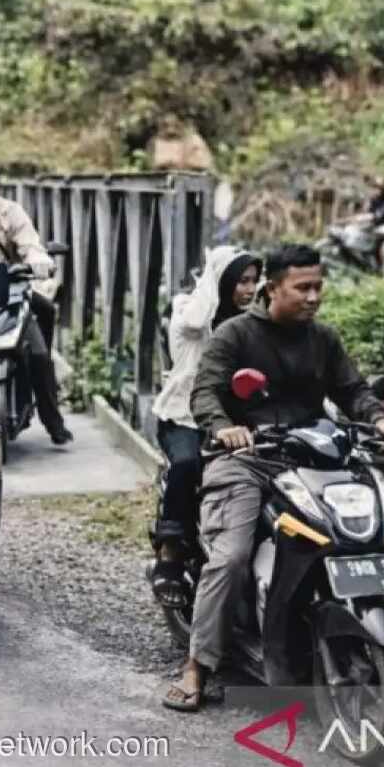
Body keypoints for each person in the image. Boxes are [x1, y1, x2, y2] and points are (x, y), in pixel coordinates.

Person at [162, 244, 384, 712]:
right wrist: (224, 428)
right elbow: (207, 391)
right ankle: (198, 664)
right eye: (303, 288)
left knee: (360, 532)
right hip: (248, 458)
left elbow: (352, 390)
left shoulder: (324, 339)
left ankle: (339, 623)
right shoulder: (234, 335)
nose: (314, 297)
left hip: (313, 455)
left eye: (319, 286)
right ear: (273, 289)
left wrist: (379, 421)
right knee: (231, 556)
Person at [148, 248, 261, 607]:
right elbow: (195, 322)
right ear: (223, 280)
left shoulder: (251, 322)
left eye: (255, 280)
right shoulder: (189, 312)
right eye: (242, 280)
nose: (251, 288)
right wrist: (210, 281)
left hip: (233, 420)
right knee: (186, 465)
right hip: (184, 416)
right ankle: (169, 555)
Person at [0, 162, 72, 445]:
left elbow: (30, 243)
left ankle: (52, 420)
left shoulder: (12, 212)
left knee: (41, 353)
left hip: (14, 288)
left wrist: (39, 261)